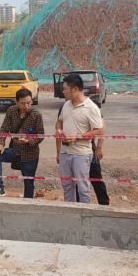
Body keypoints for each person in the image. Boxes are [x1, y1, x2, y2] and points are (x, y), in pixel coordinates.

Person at [0, 88, 45, 200]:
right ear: (17, 101)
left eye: (29, 102)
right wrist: (0, 144)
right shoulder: (11, 111)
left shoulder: (36, 115)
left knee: (29, 183)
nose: (26, 106)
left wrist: (28, 141)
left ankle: (28, 202)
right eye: (23, 103)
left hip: (30, 154)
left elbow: (41, 134)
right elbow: (4, 129)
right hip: (15, 150)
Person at [55, 73, 104, 203]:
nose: (63, 91)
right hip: (65, 153)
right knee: (67, 186)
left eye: (65, 88)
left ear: (75, 89)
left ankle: (84, 213)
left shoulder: (91, 108)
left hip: (81, 155)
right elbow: (59, 122)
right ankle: (71, 211)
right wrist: (59, 130)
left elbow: (99, 130)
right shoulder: (66, 105)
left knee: (83, 189)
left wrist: (78, 137)